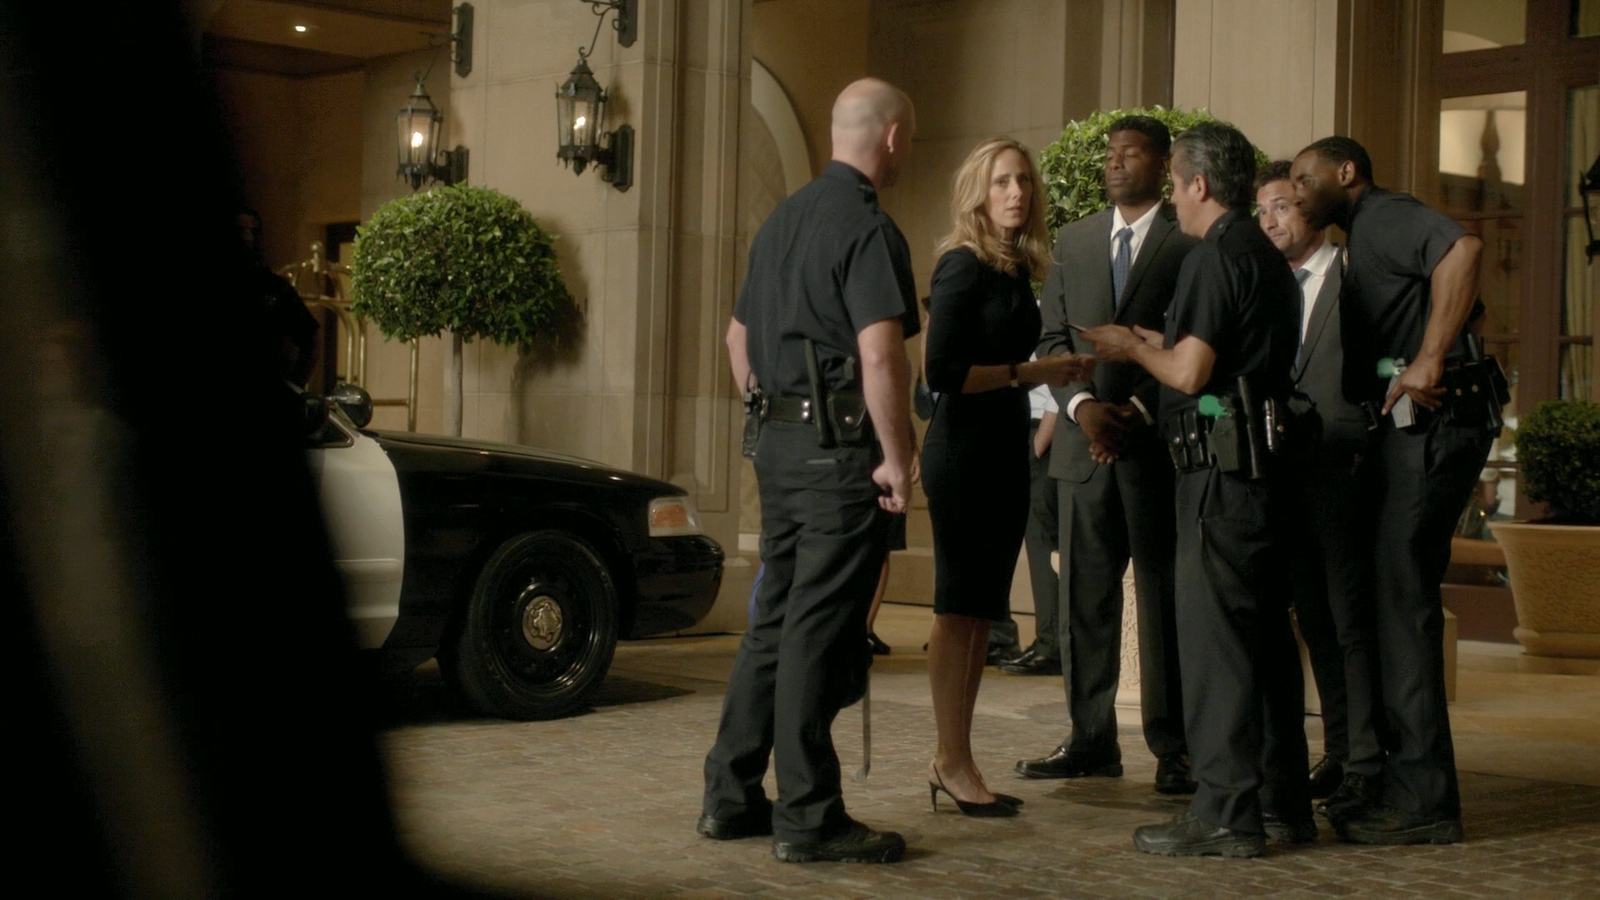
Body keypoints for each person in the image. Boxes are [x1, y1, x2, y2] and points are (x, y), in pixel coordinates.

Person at [699, 77, 920, 864]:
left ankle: (730, 797)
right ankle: (809, 817)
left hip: (780, 448)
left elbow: (737, 340)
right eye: (906, 138)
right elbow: (880, 355)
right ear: (890, 137)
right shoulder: (867, 227)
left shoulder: (782, 221)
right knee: (817, 632)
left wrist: (775, 412)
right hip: (838, 454)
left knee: (775, 620)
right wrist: (896, 456)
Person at [1083, 122, 1312, 857]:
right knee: (1266, 645)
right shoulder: (1263, 255)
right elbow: (1223, 355)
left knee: (1219, 652)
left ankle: (1223, 813)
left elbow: (1190, 373)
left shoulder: (1214, 256)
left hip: (1220, 476)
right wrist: (1157, 344)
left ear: (1199, 184)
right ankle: (1280, 805)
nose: (1175, 200)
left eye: (1178, 185)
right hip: (1263, 471)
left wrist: (1130, 346)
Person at [1291, 136, 1491, 845]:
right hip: (1412, 432)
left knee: (1402, 605)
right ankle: (1400, 786)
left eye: (1305, 178)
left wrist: (1431, 358)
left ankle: (1424, 804)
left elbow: (1464, 249)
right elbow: (1456, 301)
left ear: (1347, 172)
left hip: (1433, 428)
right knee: (1393, 602)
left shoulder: (1385, 214)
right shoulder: (1364, 235)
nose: (1297, 190)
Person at [1019, 116, 1196, 794]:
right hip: (1080, 448)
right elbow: (1051, 339)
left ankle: (1175, 749)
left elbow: (1195, 339)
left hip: (1156, 448)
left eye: (1132, 152)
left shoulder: (1188, 239)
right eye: (1110, 153)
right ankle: (1090, 740)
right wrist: (1083, 408)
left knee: (1162, 602)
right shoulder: (1075, 239)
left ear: (1163, 163)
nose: (1116, 162)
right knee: (1084, 604)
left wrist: (1137, 413)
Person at [920, 136, 1089, 818]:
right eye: (1001, 182)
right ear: (978, 195)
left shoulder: (1015, 268)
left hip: (1002, 450)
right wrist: (1033, 372)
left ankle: (957, 758)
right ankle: (949, 758)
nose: (1016, 192)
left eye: (1023, 181)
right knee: (957, 608)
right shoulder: (962, 265)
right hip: (962, 451)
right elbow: (942, 372)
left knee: (981, 611)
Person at [1254, 161, 1382, 805]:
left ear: (1309, 207)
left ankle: (1368, 760)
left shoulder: (1354, 273)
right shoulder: (1264, 288)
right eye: (1260, 211)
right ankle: (1337, 750)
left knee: (1352, 618)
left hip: (1347, 471)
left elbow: (1389, 359)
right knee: (1313, 618)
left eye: (1281, 206)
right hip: (1285, 476)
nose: (1270, 221)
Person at [997, 373, 1062, 676]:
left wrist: (1039, 442)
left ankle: (1051, 644)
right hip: (1017, 426)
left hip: (1041, 430)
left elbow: (1059, 383)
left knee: (1042, 540)